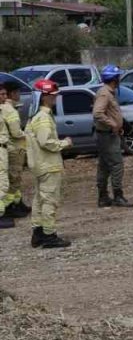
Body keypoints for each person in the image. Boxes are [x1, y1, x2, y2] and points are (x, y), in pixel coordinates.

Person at [25, 80, 73, 248]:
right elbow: (46, 141)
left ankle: (38, 233)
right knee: (49, 201)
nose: (55, 98)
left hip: (39, 165)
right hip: (48, 165)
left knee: (39, 199)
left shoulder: (34, 117)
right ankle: (49, 235)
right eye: (53, 96)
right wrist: (64, 143)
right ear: (44, 97)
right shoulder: (44, 118)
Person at [92, 65, 133, 208]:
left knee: (104, 167)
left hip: (108, 135)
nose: (119, 79)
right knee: (117, 165)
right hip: (107, 136)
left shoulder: (109, 92)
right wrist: (113, 125)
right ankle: (118, 196)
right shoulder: (105, 93)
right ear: (114, 78)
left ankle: (103, 197)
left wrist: (119, 126)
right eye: (118, 77)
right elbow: (98, 113)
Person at [0, 80, 27, 221]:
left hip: (8, 148)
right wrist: (28, 134)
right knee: (11, 180)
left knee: (12, 179)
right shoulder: (8, 109)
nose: (20, 94)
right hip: (13, 148)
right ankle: (8, 208)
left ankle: (15, 204)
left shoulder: (5, 108)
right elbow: (16, 132)